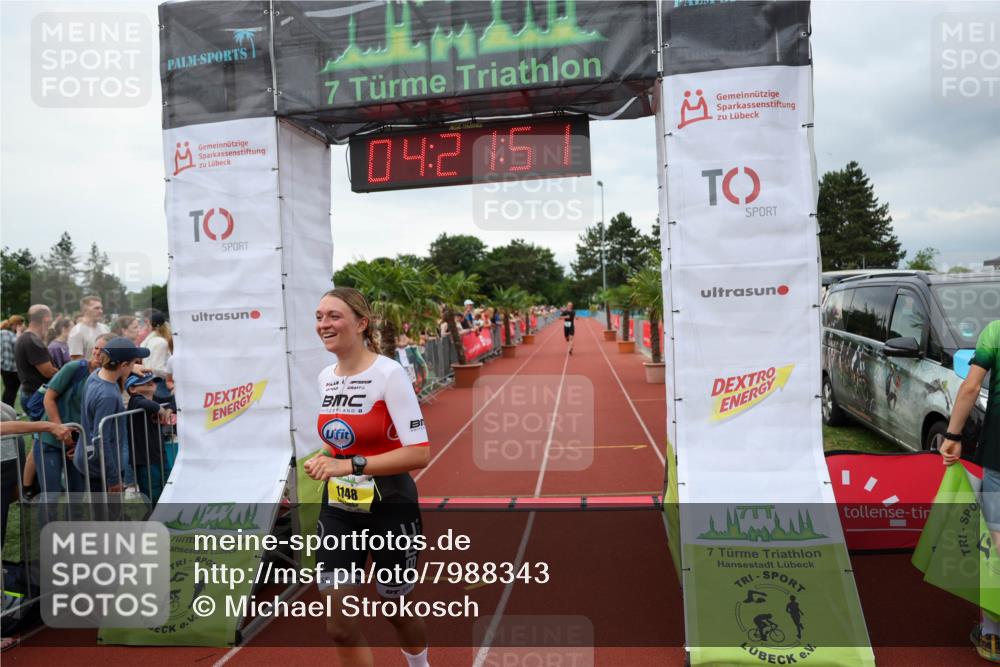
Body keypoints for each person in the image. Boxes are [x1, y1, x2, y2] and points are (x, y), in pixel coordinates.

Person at [304, 287, 431, 667]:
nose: (324, 324)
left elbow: (419, 452)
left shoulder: (388, 374)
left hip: (390, 506)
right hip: (340, 509)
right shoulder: (326, 377)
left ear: (361, 323)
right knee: (338, 626)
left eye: (334, 316)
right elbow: (339, 440)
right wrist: (325, 457)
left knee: (394, 607)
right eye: (319, 316)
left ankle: (419, 664)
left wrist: (351, 464)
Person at [940, 318, 1000, 662]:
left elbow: (970, 388)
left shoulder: (994, 331)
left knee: (996, 542)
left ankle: (992, 635)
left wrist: (953, 435)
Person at [33, 333, 113, 498]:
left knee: (77, 495)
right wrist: (60, 428)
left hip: (77, 444)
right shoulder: (75, 368)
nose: (97, 353)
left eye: (103, 350)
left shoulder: (108, 378)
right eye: (96, 348)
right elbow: (49, 398)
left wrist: (80, 445)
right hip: (50, 440)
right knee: (51, 496)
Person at [76, 337, 149, 493]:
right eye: (133, 362)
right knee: (106, 515)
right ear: (122, 365)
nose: (134, 365)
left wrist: (131, 368)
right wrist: (113, 478)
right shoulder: (107, 396)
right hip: (101, 468)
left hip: (89, 460)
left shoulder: (96, 375)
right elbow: (100, 440)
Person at [124, 372, 174, 504]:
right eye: (145, 381)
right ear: (133, 389)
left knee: (169, 487)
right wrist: (160, 409)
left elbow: (170, 403)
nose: (151, 382)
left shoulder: (154, 399)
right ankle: (154, 519)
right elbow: (147, 404)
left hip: (159, 455)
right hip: (144, 459)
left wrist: (167, 409)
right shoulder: (135, 400)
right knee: (153, 494)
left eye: (152, 381)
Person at [14, 305, 56, 407]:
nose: (52, 319)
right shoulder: (32, 341)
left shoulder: (27, 337)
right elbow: (48, 372)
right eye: (51, 316)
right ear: (45, 318)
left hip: (32, 393)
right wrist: (66, 372)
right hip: (36, 395)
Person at [67, 296, 110, 361]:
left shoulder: (105, 328)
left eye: (101, 308)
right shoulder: (77, 331)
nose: (100, 311)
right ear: (85, 310)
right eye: (96, 308)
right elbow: (76, 361)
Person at [140, 310, 172, 379]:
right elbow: (157, 368)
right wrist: (172, 374)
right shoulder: (161, 342)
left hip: (149, 378)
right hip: (159, 381)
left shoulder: (149, 340)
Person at [1, 316, 24, 407]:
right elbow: (18, 347)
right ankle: (7, 411)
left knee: (10, 390)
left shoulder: (5, 333)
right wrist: (19, 332)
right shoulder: (6, 334)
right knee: (10, 390)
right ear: (16, 325)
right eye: (21, 324)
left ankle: (9, 410)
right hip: (10, 368)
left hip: (6, 367)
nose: (23, 326)